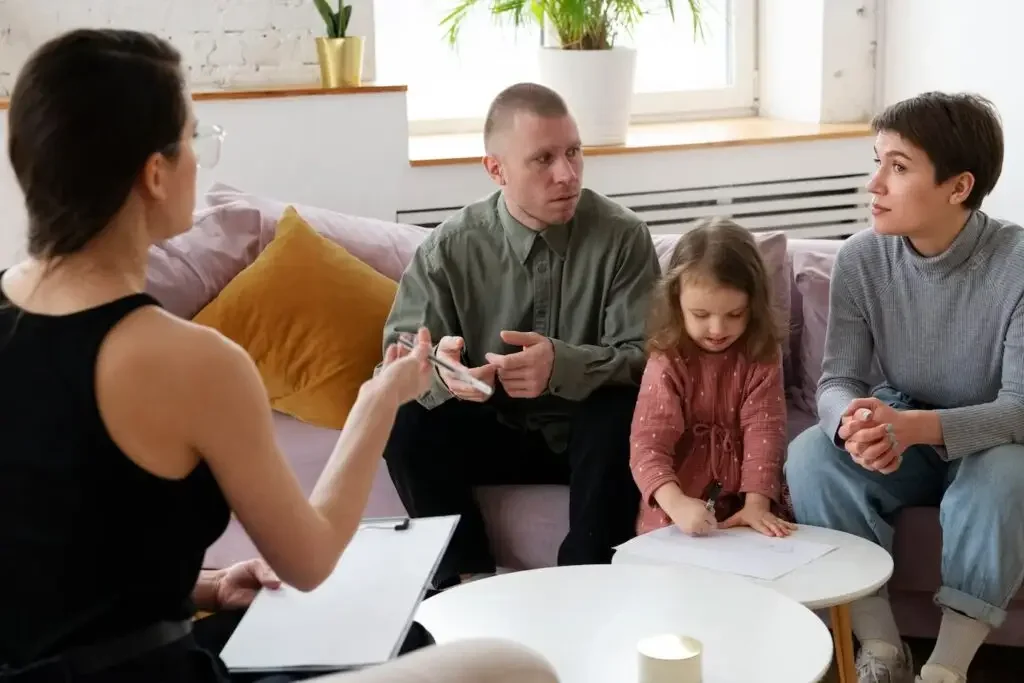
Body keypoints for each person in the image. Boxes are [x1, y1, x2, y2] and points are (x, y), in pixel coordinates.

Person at [0, 28, 449, 683]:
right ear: (154, 174)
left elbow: (54, 553)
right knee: (507, 664)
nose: (198, 161)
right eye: (192, 138)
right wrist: (379, 398)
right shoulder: (194, 361)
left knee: (403, 639)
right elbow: (310, 559)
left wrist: (204, 586)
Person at [380, 82, 661, 588]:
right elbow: (394, 366)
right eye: (543, 159)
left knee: (621, 405)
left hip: (588, 441)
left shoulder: (622, 237)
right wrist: (443, 372)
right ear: (496, 169)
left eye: (574, 152)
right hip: (491, 434)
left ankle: (588, 582)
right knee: (406, 419)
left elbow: (648, 360)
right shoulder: (449, 249)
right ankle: (463, 580)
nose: (567, 174)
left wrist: (562, 365)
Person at [785, 91, 1024, 683]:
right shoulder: (861, 258)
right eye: (877, 162)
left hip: (994, 437)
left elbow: (1020, 408)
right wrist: (853, 422)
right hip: (903, 422)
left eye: (897, 166)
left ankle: (946, 668)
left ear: (958, 186)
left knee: (1003, 477)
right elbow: (839, 379)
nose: (874, 184)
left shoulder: (1016, 265)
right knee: (812, 455)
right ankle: (882, 652)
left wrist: (916, 428)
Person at [629, 218, 794, 539]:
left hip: (743, 507)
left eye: (734, 314)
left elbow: (765, 431)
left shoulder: (761, 353)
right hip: (675, 509)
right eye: (701, 315)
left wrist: (756, 503)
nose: (717, 330)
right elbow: (648, 446)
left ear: (753, 305)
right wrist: (676, 503)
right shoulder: (668, 359)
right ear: (676, 302)